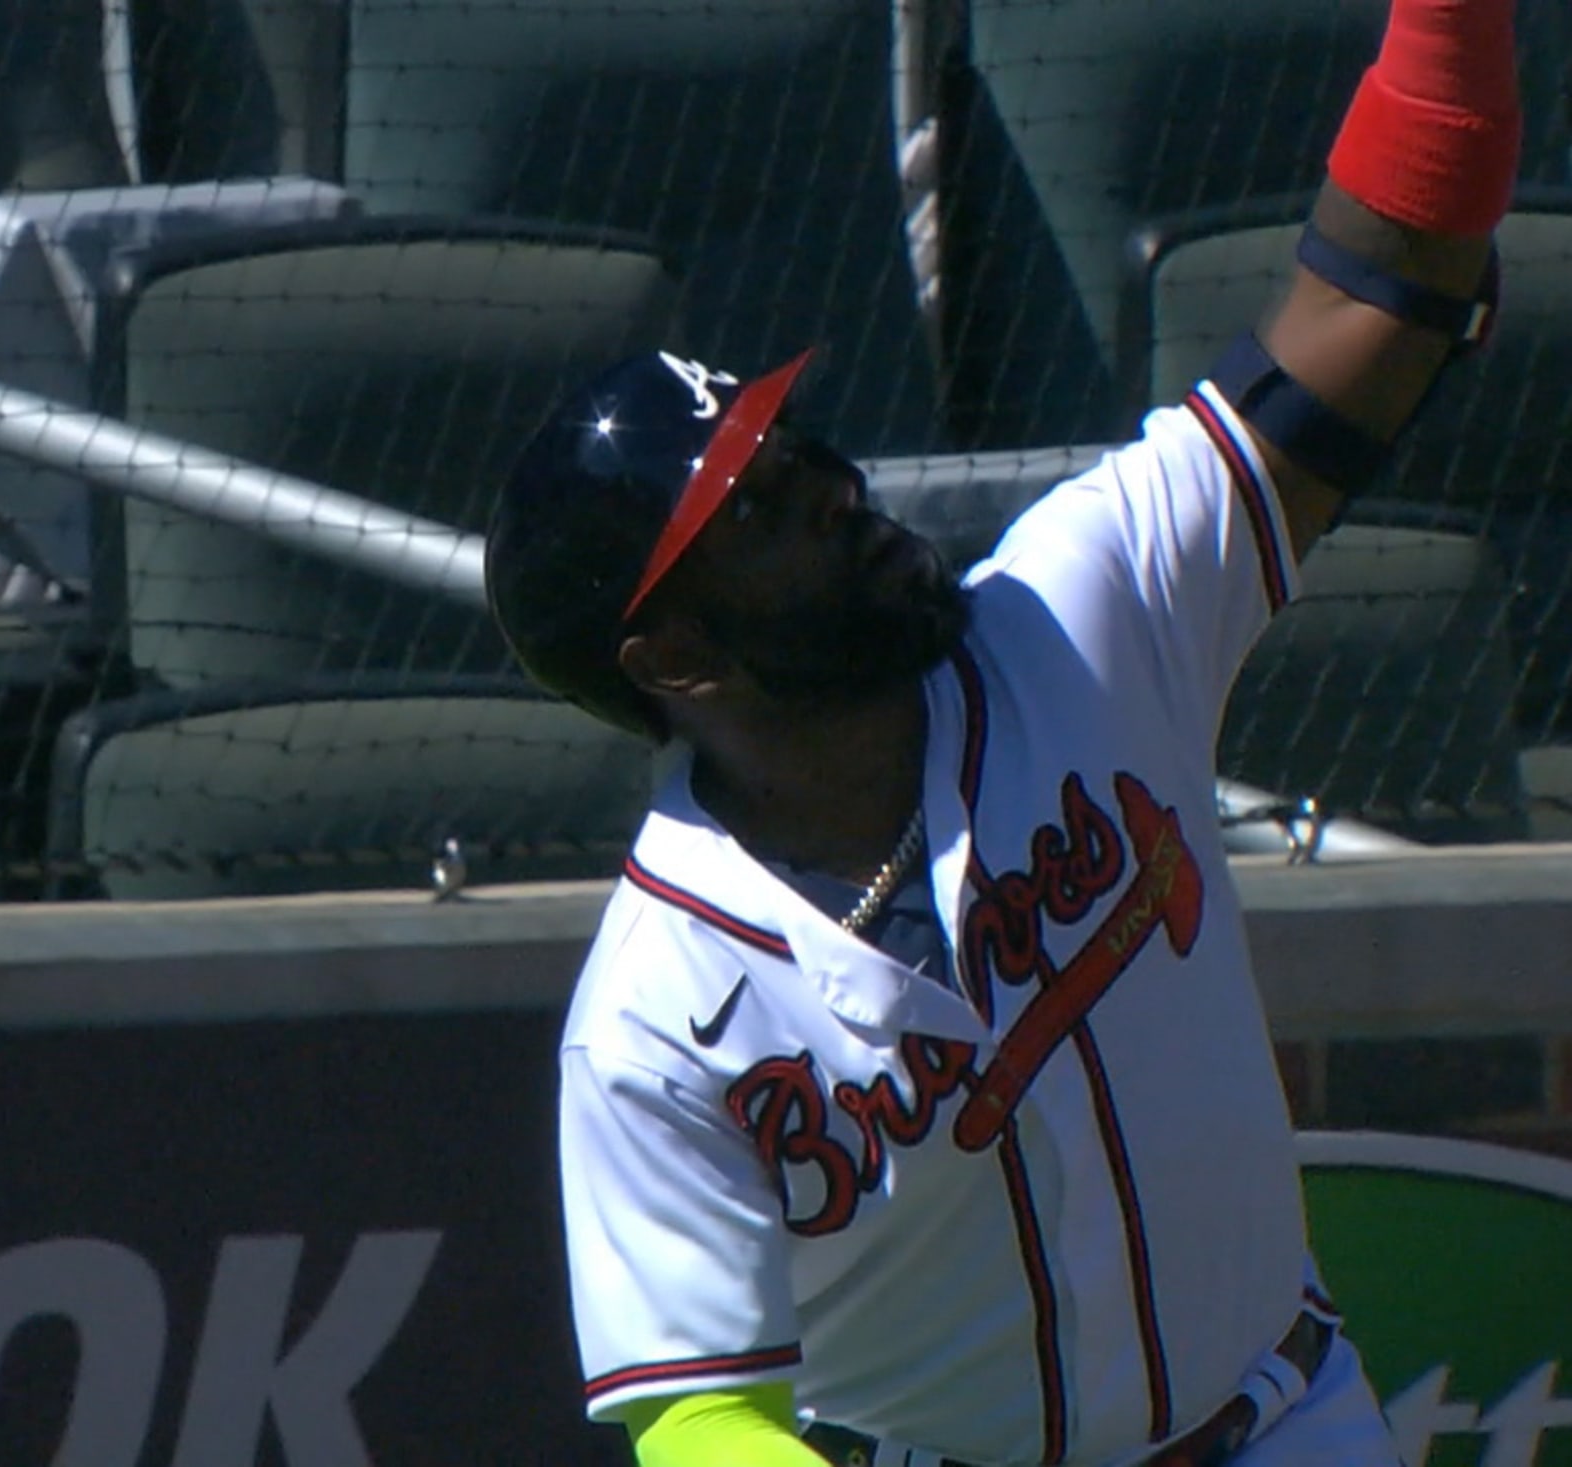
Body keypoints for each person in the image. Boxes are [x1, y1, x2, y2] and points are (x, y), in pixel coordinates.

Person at [480, 0, 1518, 1462]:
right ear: (677, 655)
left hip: (1286, 1423)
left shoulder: (1080, 612)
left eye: (799, 451)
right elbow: (700, 1416)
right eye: (763, 513)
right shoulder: (658, 1012)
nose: (836, 489)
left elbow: (1386, 294)